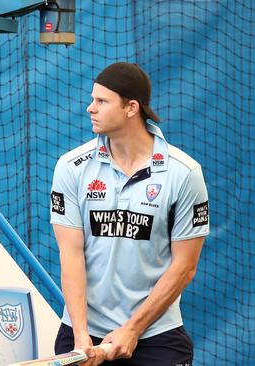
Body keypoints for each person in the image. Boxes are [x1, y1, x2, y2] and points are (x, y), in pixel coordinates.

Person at [50, 62, 209, 365]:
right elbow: (70, 254)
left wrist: (132, 329)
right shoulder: (71, 167)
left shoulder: (184, 173)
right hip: (83, 331)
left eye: (101, 101)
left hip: (156, 335)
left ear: (131, 107)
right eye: (92, 99)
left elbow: (185, 267)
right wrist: (81, 336)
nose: (90, 108)